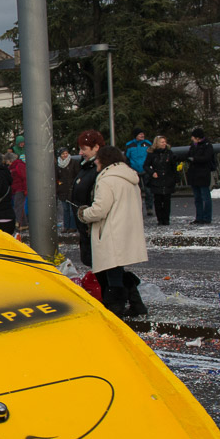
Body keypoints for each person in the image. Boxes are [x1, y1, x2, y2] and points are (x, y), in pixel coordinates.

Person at [77, 146, 148, 317]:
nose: (96, 162)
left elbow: (100, 210)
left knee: (111, 272)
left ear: (105, 159)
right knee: (116, 270)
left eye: (98, 159)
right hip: (126, 229)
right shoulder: (129, 177)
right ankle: (136, 305)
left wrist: (84, 213)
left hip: (111, 231)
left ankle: (115, 309)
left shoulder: (106, 180)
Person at [72, 131, 105, 268]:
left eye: (84, 149)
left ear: (96, 147)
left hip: (94, 226)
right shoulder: (85, 167)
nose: (80, 152)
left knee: (102, 266)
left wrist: (86, 216)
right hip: (86, 225)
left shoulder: (98, 170)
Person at [143, 135, 178, 226]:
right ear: (157, 143)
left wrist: (175, 178)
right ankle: (160, 219)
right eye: (162, 142)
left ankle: (166, 219)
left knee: (167, 200)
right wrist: (152, 172)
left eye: (165, 142)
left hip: (167, 178)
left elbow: (173, 166)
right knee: (158, 200)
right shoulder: (152, 154)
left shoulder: (169, 153)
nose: (164, 144)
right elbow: (146, 165)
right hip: (156, 179)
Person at [184, 127, 217, 225]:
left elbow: (206, 158)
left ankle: (206, 218)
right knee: (197, 197)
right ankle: (199, 217)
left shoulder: (207, 146)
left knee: (205, 197)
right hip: (195, 174)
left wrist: (194, 159)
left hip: (203, 174)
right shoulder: (194, 146)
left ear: (197, 137)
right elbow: (188, 155)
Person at [124, 128, 153, 216]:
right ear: (136, 135)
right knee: (136, 191)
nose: (142, 135)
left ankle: (149, 208)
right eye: (140, 134)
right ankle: (138, 208)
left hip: (146, 169)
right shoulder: (129, 145)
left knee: (148, 190)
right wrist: (130, 168)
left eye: (143, 134)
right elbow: (126, 158)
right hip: (134, 170)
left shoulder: (148, 144)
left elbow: (151, 155)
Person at [55, 147, 79, 233]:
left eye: (66, 153)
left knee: (72, 209)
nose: (65, 155)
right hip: (62, 190)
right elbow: (56, 178)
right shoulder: (58, 165)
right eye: (63, 154)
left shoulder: (73, 163)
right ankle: (66, 226)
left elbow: (77, 175)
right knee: (65, 209)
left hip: (72, 188)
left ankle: (73, 226)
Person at [7, 149, 28, 230]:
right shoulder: (14, 166)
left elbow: (24, 177)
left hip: (20, 189)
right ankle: (23, 223)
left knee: (18, 206)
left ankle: (19, 223)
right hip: (17, 189)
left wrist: (25, 189)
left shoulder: (18, 166)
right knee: (19, 206)